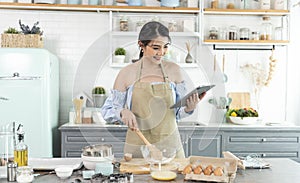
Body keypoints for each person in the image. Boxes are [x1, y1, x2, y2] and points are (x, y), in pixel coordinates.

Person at [101, 21, 206, 158]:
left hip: (170, 145)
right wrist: (122, 112)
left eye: (165, 47)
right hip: (137, 145)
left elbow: (177, 114)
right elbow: (108, 110)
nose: (161, 53)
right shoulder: (126, 73)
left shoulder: (174, 71)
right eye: (156, 47)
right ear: (141, 45)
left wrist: (188, 108)